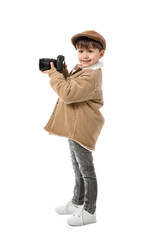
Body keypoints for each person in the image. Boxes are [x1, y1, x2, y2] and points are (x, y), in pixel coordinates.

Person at [41, 30, 106, 226]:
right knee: (77, 167)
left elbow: (68, 93)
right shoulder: (83, 70)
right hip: (74, 125)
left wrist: (53, 75)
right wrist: (63, 72)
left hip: (82, 127)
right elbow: (70, 83)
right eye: (80, 51)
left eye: (90, 51)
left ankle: (89, 210)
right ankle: (78, 202)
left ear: (100, 54)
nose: (84, 56)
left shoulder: (92, 76)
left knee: (86, 170)